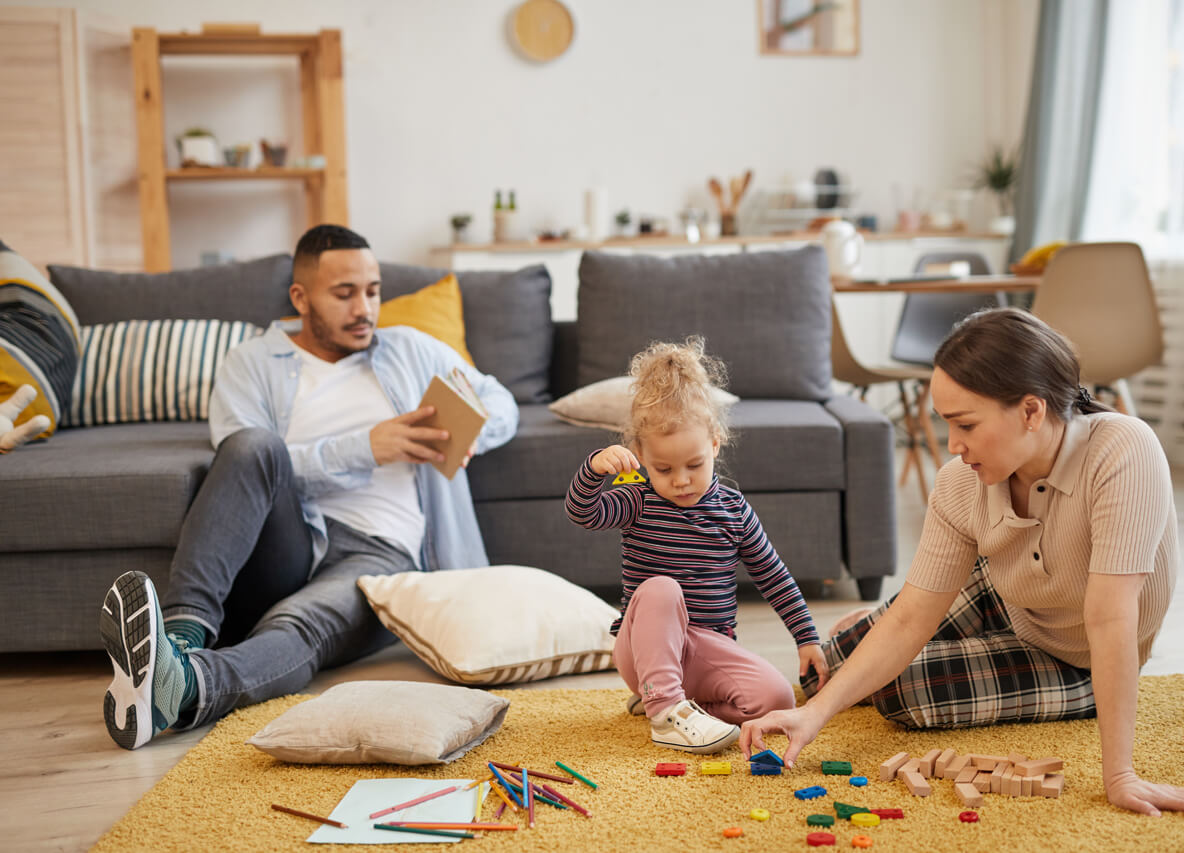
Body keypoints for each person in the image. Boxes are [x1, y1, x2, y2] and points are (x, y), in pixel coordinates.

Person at [739, 308, 1184, 819]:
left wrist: (1120, 775)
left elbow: (1109, 618)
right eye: (945, 424)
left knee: (902, 690)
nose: (953, 445)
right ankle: (860, 633)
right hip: (1011, 593)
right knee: (832, 661)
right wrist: (812, 714)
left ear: (1031, 412)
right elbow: (912, 617)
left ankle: (1081, 694)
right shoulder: (960, 481)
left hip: (1079, 653)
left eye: (965, 424)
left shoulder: (1123, 451)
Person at [100, 224, 518, 749]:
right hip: (289, 541)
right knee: (254, 444)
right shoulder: (250, 364)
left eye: (373, 290)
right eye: (344, 294)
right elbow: (240, 469)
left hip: (381, 552)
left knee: (297, 624)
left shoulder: (411, 350)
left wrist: (477, 425)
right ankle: (181, 637)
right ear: (301, 297)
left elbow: (500, 399)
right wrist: (366, 447)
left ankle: (180, 684)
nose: (364, 308)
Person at [565, 337, 828, 754]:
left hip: (708, 650)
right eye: (664, 468)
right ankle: (666, 710)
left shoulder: (733, 509)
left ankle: (673, 703)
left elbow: (773, 575)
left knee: (777, 699)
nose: (681, 480)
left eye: (694, 465)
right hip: (643, 649)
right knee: (661, 589)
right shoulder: (638, 496)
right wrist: (595, 470)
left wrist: (807, 638)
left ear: (715, 445)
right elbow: (585, 513)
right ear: (640, 456)